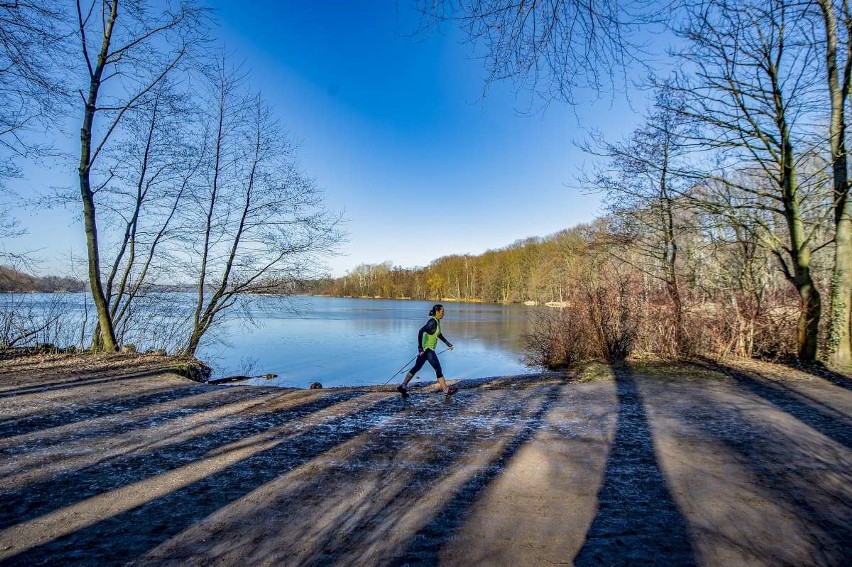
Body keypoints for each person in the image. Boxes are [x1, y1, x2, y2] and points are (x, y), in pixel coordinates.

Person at [397, 304, 458, 397]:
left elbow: (438, 334)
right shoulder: (432, 322)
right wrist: (420, 348)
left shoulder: (436, 321)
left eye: (443, 312)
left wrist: (447, 343)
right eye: (442, 312)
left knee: (416, 367)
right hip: (428, 350)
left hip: (426, 350)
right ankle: (446, 390)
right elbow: (420, 331)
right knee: (438, 368)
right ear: (437, 312)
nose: (443, 313)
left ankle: (403, 386)